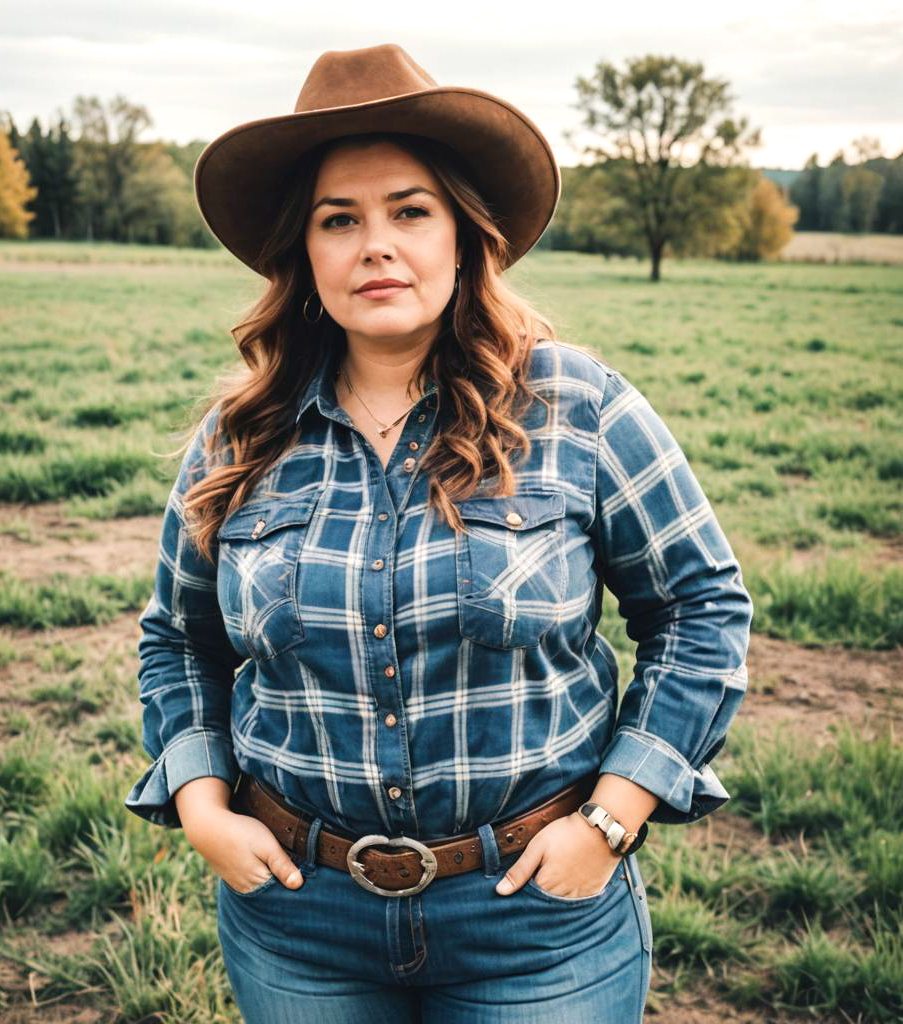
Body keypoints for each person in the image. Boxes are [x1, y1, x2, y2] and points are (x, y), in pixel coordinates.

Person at [124, 43, 753, 1023]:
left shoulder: (577, 409)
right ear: (307, 254)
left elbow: (700, 606)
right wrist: (201, 802)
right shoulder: (239, 437)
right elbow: (177, 638)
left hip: (538, 917)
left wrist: (615, 812)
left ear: (464, 235)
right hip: (297, 913)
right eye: (340, 220)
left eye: (409, 211)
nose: (375, 245)